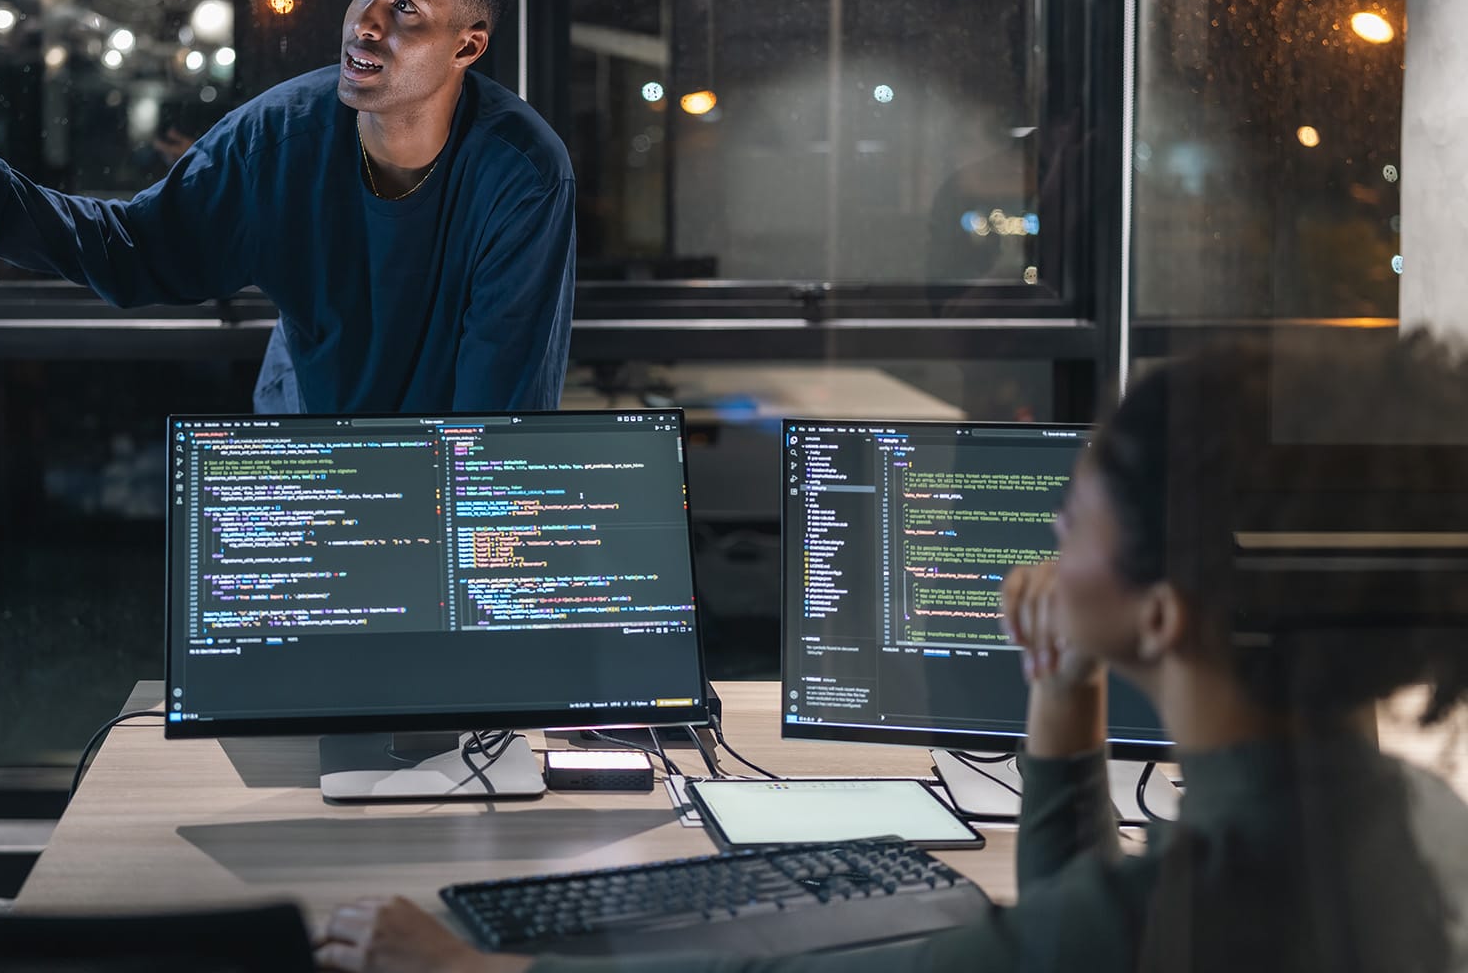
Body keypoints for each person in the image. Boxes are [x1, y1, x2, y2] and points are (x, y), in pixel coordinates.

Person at [313, 336, 1468, 973]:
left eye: (1082, 509)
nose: (1055, 530)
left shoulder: (1171, 913)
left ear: (1161, 620)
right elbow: (1079, 929)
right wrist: (1064, 691)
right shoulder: (1418, 822)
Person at [0, 0, 574, 415]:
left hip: (440, 481)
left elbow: (498, 410)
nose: (365, 24)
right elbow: (132, 248)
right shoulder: (280, 138)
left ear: (468, 45)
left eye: (404, 6)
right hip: (304, 459)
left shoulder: (521, 175)